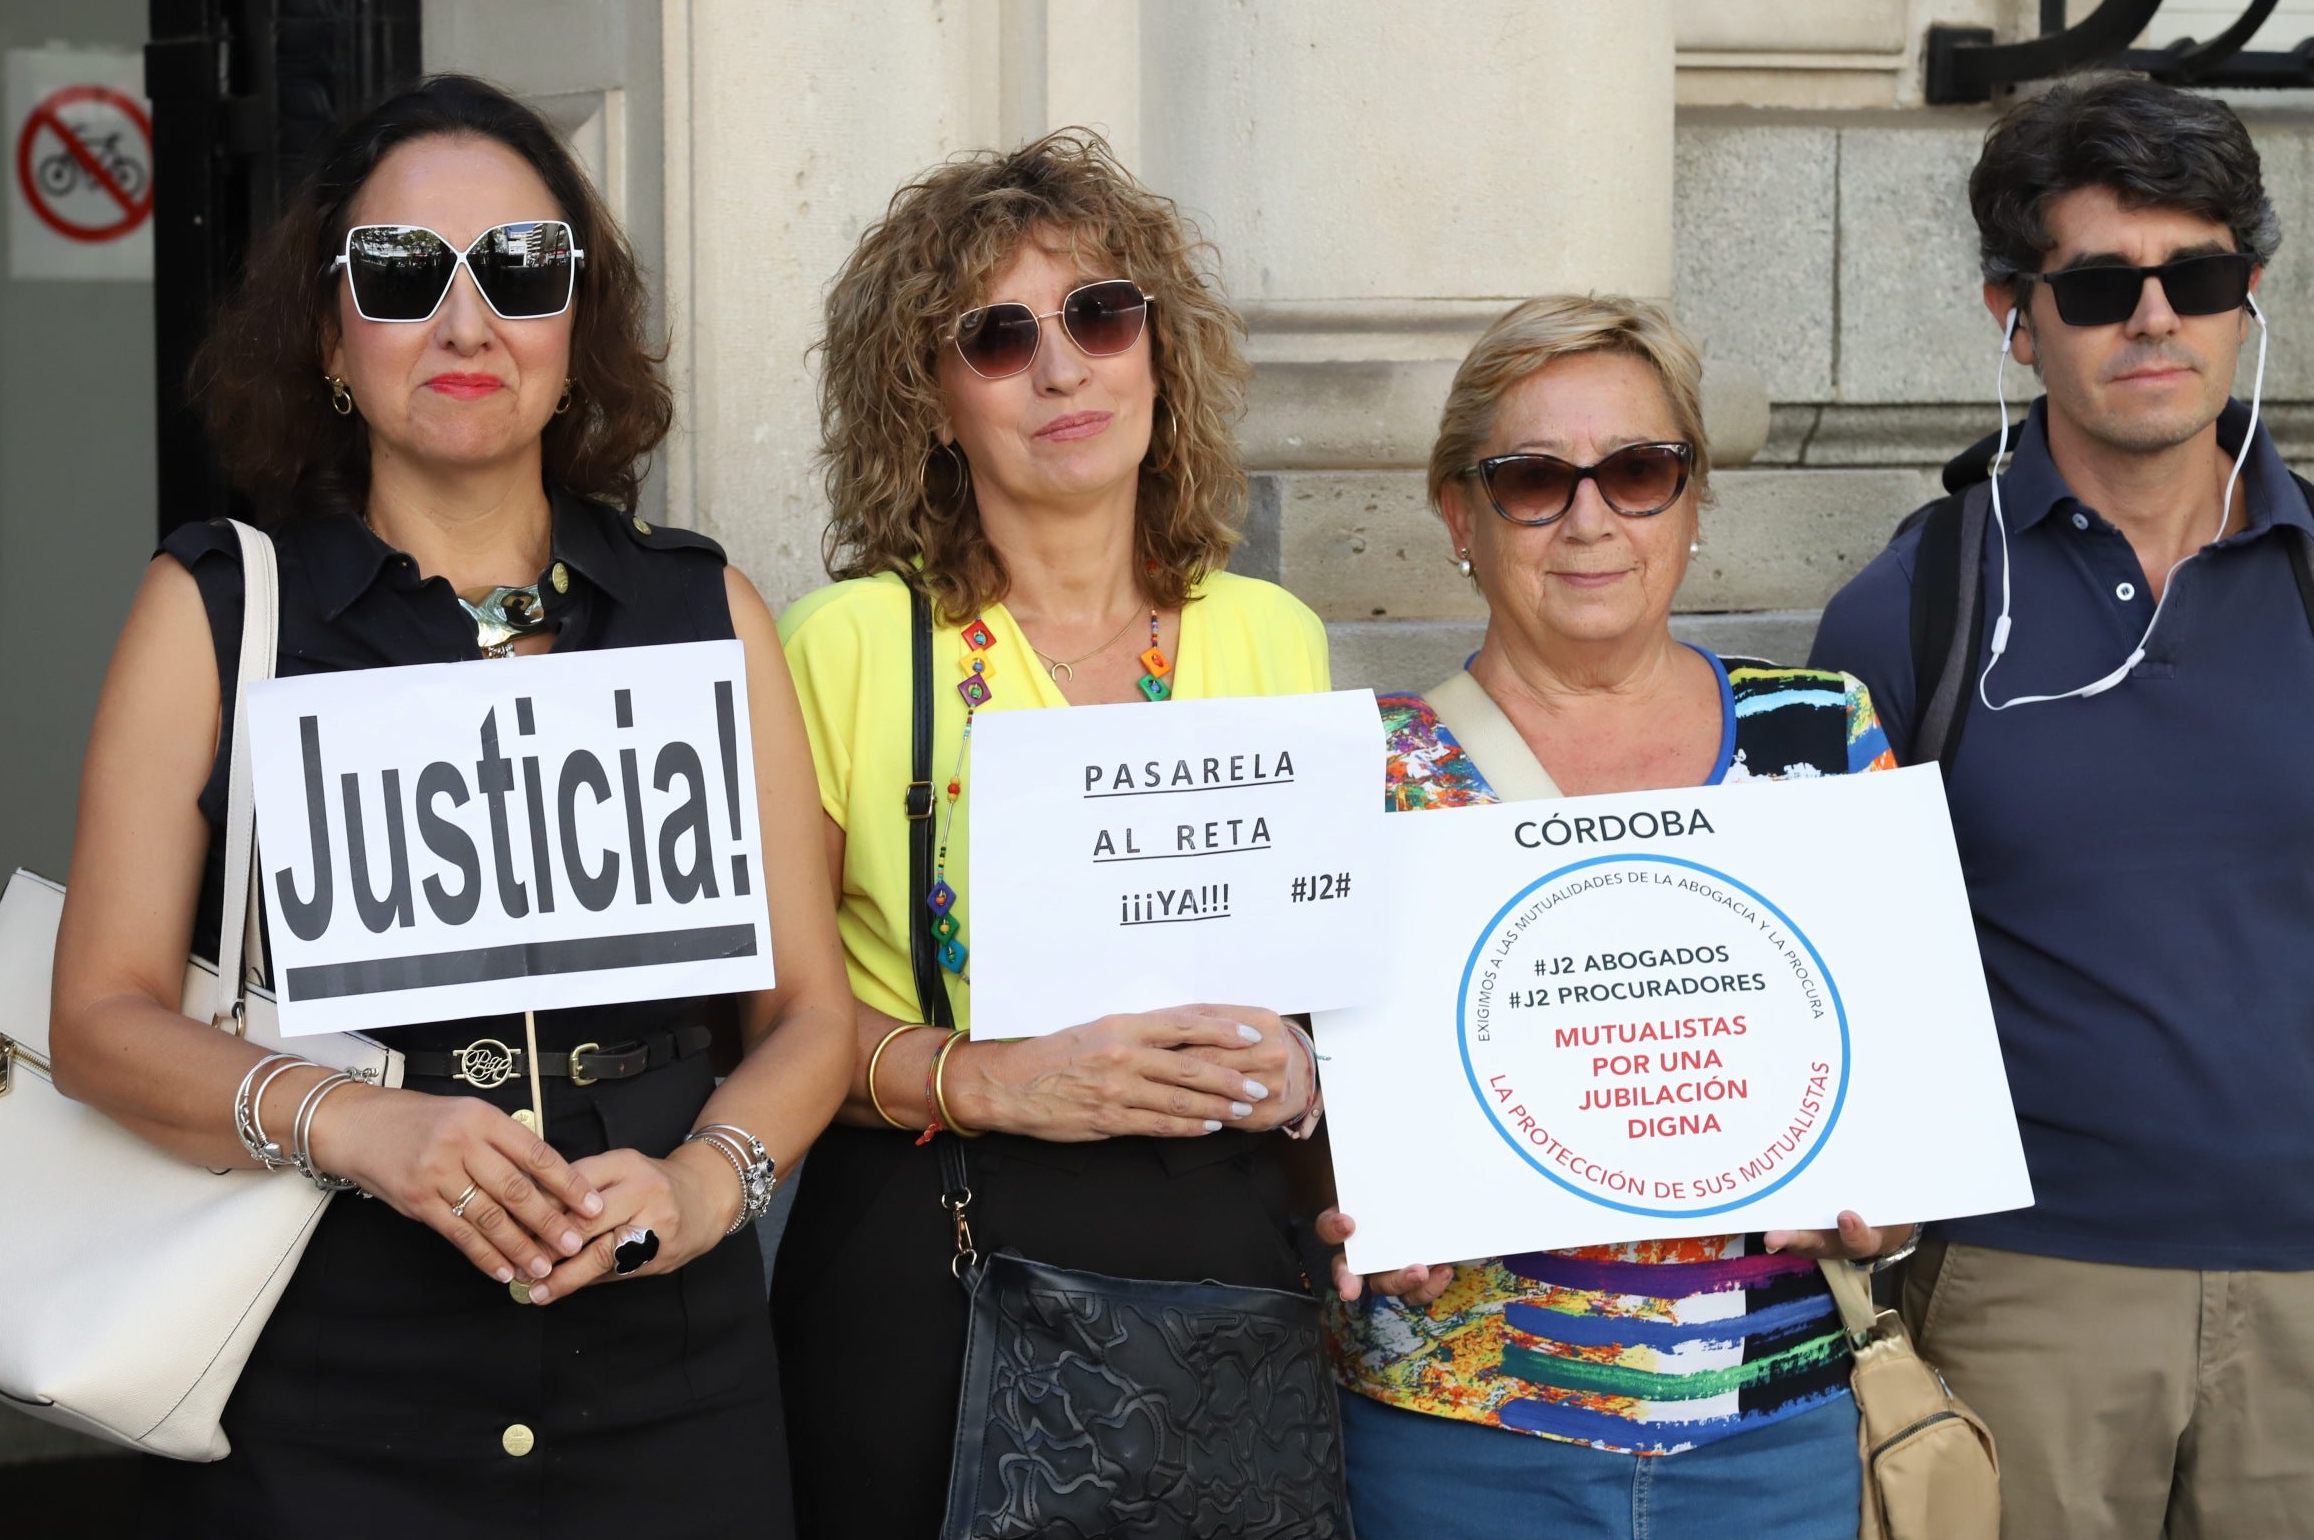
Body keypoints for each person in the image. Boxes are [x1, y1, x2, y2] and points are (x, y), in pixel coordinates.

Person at [48, 75, 855, 1536]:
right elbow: (97, 1018)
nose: (467, 321)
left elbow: (811, 1010)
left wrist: (703, 1182)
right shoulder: (219, 612)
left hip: (669, 1390)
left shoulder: (698, 607)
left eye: (522, 271)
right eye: (407, 274)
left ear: (575, 322)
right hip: (327, 1384)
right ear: (329, 330)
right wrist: (355, 1123)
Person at [766, 130, 1332, 1539]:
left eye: (1097, 314)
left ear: (1158, 350)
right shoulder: (847, 645)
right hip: (932, 1255)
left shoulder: (1274, 635)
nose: (1063, 367)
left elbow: (1334, 985)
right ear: (932, 398)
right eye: (997, 337)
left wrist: (1309, 1067)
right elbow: (756, 1030)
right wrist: (991, 1082)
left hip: (1220, 1258)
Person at [1319, 295, 1912, 1540]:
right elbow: (1297, 1108)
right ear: (1458, 514)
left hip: (1775, 1430)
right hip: (1461, 1436)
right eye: (1535, 478)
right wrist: (1339, 1202)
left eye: (1637, 470)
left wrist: (1894, 1188)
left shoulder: (1821, 731)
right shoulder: (1369, 771)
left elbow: (1905, 1066)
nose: (1590, 518)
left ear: (1692, 502)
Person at [1812, 76, 2314, 1540]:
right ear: (2015, 315)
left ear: (2248, 295)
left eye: (2197, 276)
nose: (2154, 317)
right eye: (2101, 286)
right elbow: (1832, 955)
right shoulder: (1917, 601)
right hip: (2028, 1291)